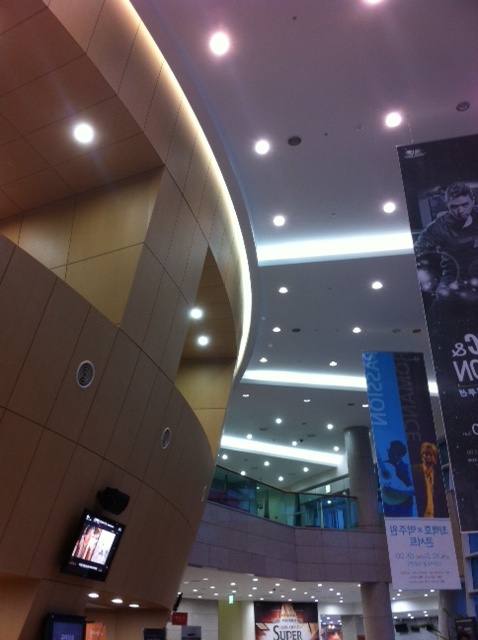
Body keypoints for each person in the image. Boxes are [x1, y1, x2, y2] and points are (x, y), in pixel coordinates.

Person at [414, 182, 478, 306]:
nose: (460, 211)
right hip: (454, 278)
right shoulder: (437, 228)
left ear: (473, 201)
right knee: (440, 307)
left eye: (465, 204)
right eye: (454, 206)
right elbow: (416, 251)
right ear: (446, 205)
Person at [379, 440, 416, 517]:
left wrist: (395, 490)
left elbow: (414, 490)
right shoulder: (383, 465)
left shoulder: (407, 468)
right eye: (389, 450)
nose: (388, 453)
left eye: (392, 452)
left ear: (400, 456)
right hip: (387, 506)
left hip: (403, 509)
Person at [412, 442, 448, 518]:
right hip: (419, 517)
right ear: (422, 455)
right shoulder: (414, 470)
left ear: (435, 458)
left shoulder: (439, 478)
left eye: (431, 454)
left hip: (435, 517)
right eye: (426, 454)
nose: (428, 457)